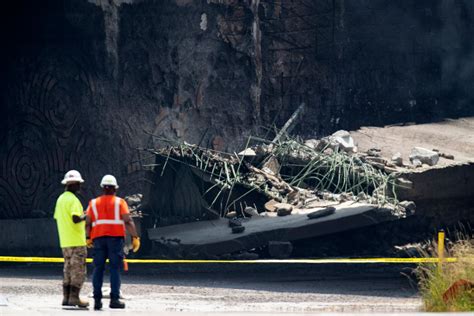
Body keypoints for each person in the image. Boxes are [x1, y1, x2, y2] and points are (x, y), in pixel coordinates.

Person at [86, 174, 140, 310]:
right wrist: (135, 237)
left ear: (102, 188)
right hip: (115, 240)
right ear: (115, 188)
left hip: (98, 239)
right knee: (115, 269)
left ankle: (97, 301)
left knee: (98, 268)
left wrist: (88, 238)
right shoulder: (120, 202)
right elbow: (128, 221)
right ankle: (114, 299)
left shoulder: (93, 203)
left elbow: (88, 223)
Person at [53, 170, 89, 308]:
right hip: (76, 241)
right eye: (78, 184)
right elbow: (75, 219)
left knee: (67, 269)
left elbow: (60, 218)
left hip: (65, 241)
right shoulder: (73, 200)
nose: (80, 187)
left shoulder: (60, 199)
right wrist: (86, 215)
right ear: (73, 184)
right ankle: (74, 298)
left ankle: (66, 297)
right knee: (78, 270)